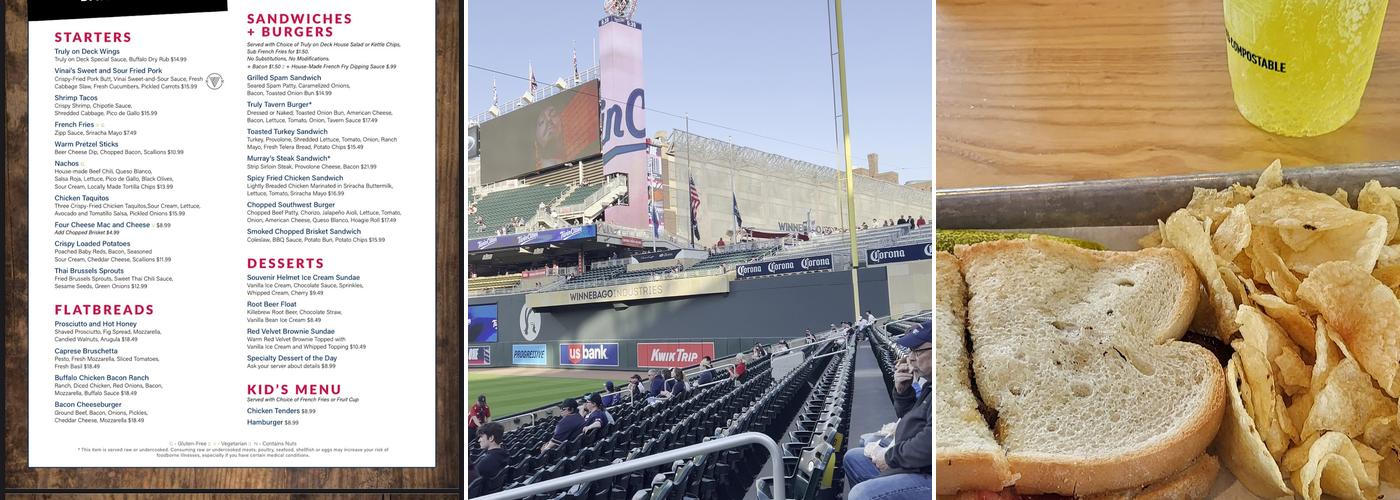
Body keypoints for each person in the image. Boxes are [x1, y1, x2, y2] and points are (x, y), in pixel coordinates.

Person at [844, 320, 932, 499]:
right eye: (911, 351)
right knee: (853, 458)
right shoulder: (929, 384)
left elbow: (928, 443)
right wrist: (903, 391)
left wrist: (890, 457)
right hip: (913, 462)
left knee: (860, 494)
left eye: (918, 351)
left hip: (928, 473)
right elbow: (912, 420)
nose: (912, 358)